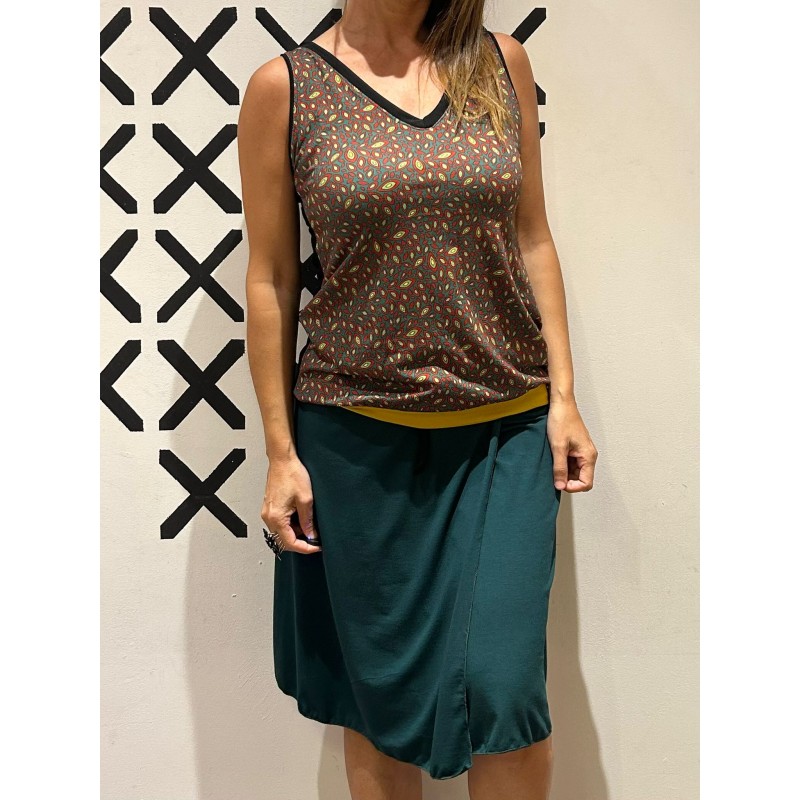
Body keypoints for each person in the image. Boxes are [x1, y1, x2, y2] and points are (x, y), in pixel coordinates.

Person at [237, 1, 598, 797]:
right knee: (380, 703)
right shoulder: (284, 88)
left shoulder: (498, 63)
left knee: (504, 691)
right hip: (353, 443)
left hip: (504, 429)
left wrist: (565, 396)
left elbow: (532, 235)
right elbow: (271, 278)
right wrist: (280, 453)